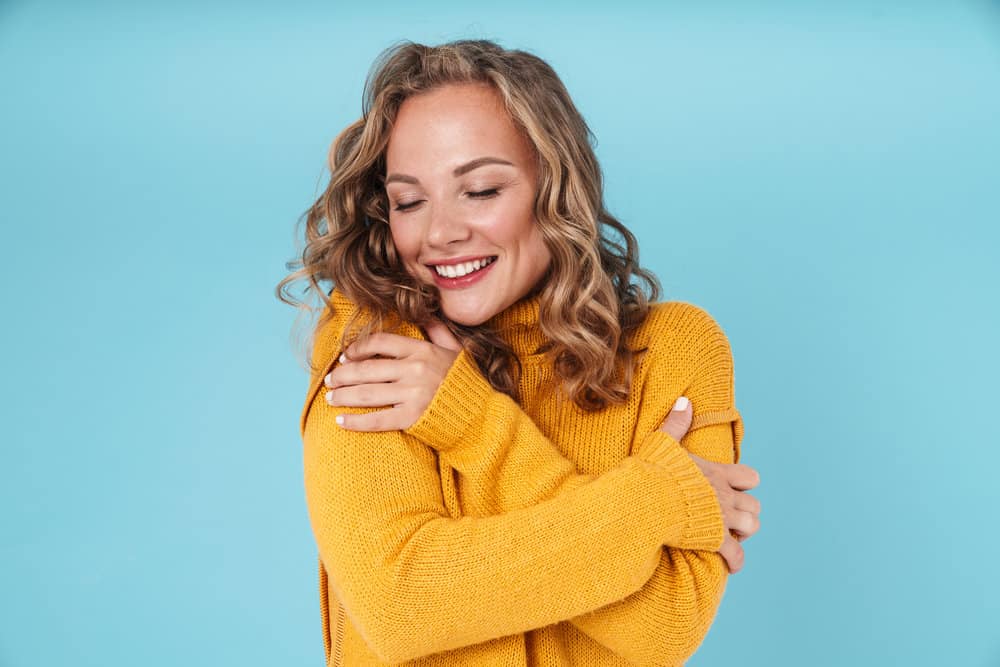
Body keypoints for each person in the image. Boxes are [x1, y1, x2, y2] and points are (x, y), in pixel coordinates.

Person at [277, 39, 762, 667]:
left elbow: (665, 629)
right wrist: (658, 499)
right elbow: (401, 606)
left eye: (479, 190)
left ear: (554, 187)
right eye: (409, 200)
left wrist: (474, 423)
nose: (440, 233)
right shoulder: (373, 337)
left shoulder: (675, 348)